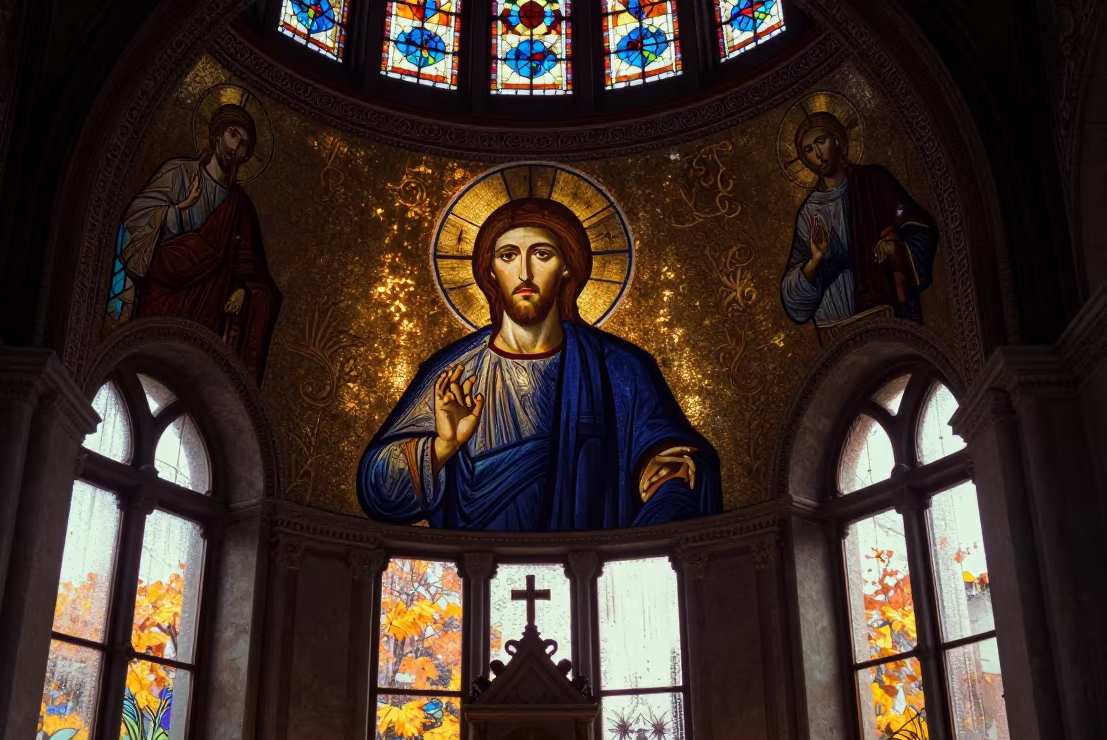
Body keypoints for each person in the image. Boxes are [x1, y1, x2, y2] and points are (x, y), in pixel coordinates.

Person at [358, 197, 722, 531]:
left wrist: (664, 474)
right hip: (472, 569)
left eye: (542, 254)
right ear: (489, 271)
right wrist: (441, 448)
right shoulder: (453, 374)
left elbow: (666, 454)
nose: (525, 274)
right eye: (508, 256)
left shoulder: (618, 367)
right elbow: (378, 492)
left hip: (587, 568)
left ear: (567, 267)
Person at [118, 103, 282, 383]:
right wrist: (180, 209)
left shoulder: (240, 206)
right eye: (233, 135)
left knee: (187, 378)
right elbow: (136, 221)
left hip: (209, 308)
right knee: (146, 365)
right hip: (162, 293)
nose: (235, 147)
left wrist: (244, 291)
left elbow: (252, 270)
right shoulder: (179, 173)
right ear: (217, 134)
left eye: (244, 144)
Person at [780, 111, 939, 346]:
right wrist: (815, 261)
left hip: (883, 317)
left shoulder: (874, 182)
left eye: (821, 141)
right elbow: (793, 302)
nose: (818, 154)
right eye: (808, 150)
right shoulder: (809, 213)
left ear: (837, 140)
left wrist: (895, 248)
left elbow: (920, 229)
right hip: (836, 334)